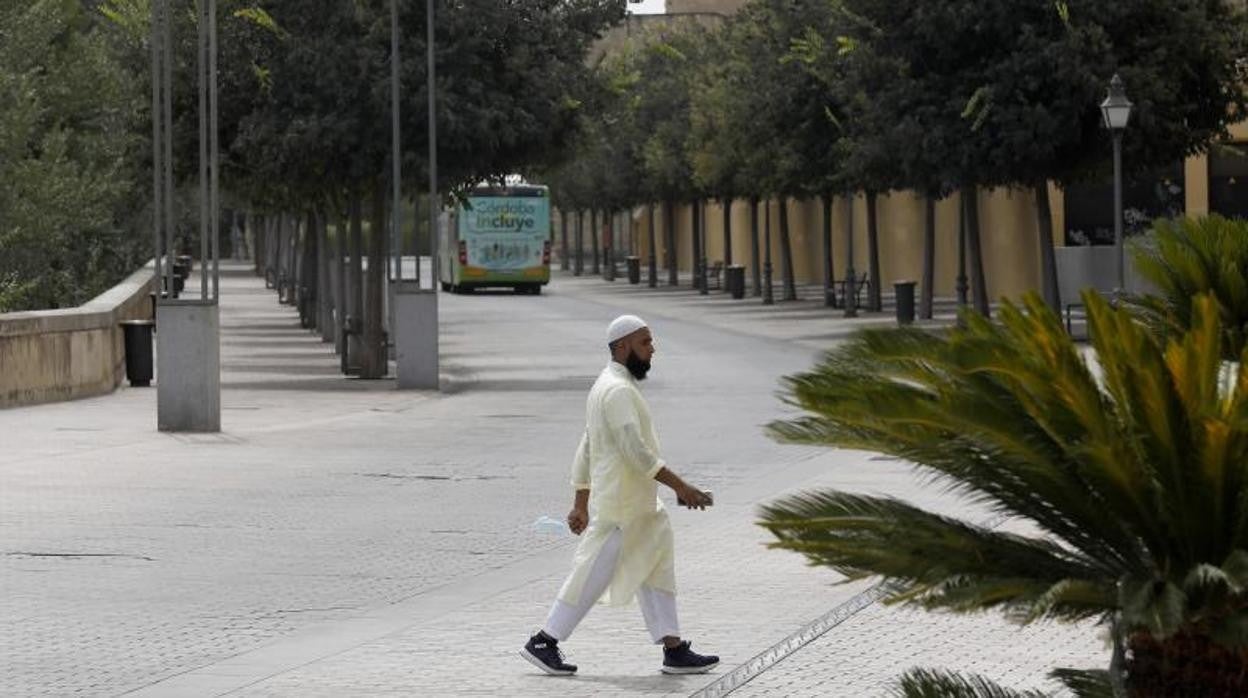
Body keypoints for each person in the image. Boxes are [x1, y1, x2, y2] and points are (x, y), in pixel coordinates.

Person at [521, 314, 719, 677]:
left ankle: (673, 648)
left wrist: (580, 502)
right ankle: (544, 640)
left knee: (655, 564)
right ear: (623, 346)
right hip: (621, 508)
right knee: (592, 573)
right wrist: (681, 487)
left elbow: (587, 445)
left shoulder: (609, 385)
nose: (652, 349)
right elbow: (635, 451)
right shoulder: (617, 391)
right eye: (645, 342)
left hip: (638, 506)